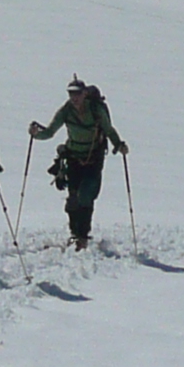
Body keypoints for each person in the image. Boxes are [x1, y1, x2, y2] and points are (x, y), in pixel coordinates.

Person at [27, 77, 128, 247]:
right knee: (73, 197)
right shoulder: (66, 110)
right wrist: (35, 134)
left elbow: (109, 129)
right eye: (71, 93)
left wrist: (119, 144)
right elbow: (51, 131)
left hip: (93, 158)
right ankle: (75, 234)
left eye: (77, 93)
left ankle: (82, 236)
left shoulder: (95, 110)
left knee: (86, 195)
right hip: (73, 157)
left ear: (85, 93)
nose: (74, 97)